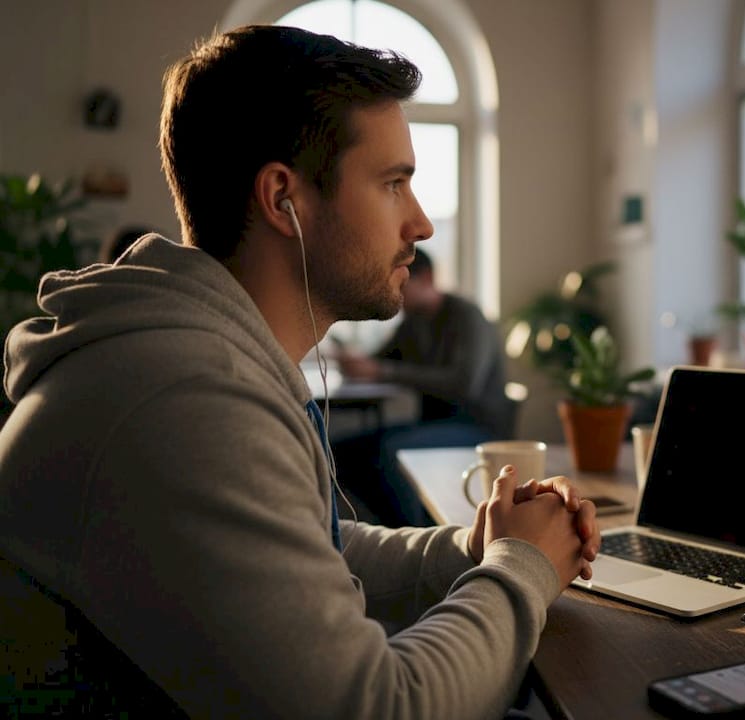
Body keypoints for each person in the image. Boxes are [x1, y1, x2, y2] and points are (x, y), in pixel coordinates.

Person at [0, 25, 598, 719]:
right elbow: (378, 709)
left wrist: (474, 546)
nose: (423, 223)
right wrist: (520, 568)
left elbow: (316, 549)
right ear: (284, 197)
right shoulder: (185, 397)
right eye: (394, 183)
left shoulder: (190, 359)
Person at [332, 246, 514, 527]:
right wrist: (359, 363)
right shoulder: (413, 321)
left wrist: (381, 371)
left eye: (403, 282)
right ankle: (394, 528)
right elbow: (382, 359)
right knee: (340, 452)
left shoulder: (466, 316)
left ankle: (417, 532)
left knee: (392, 452)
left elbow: (464, 385)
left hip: (477, 427)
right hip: (432, 425)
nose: (396, 291)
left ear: (426, 278)